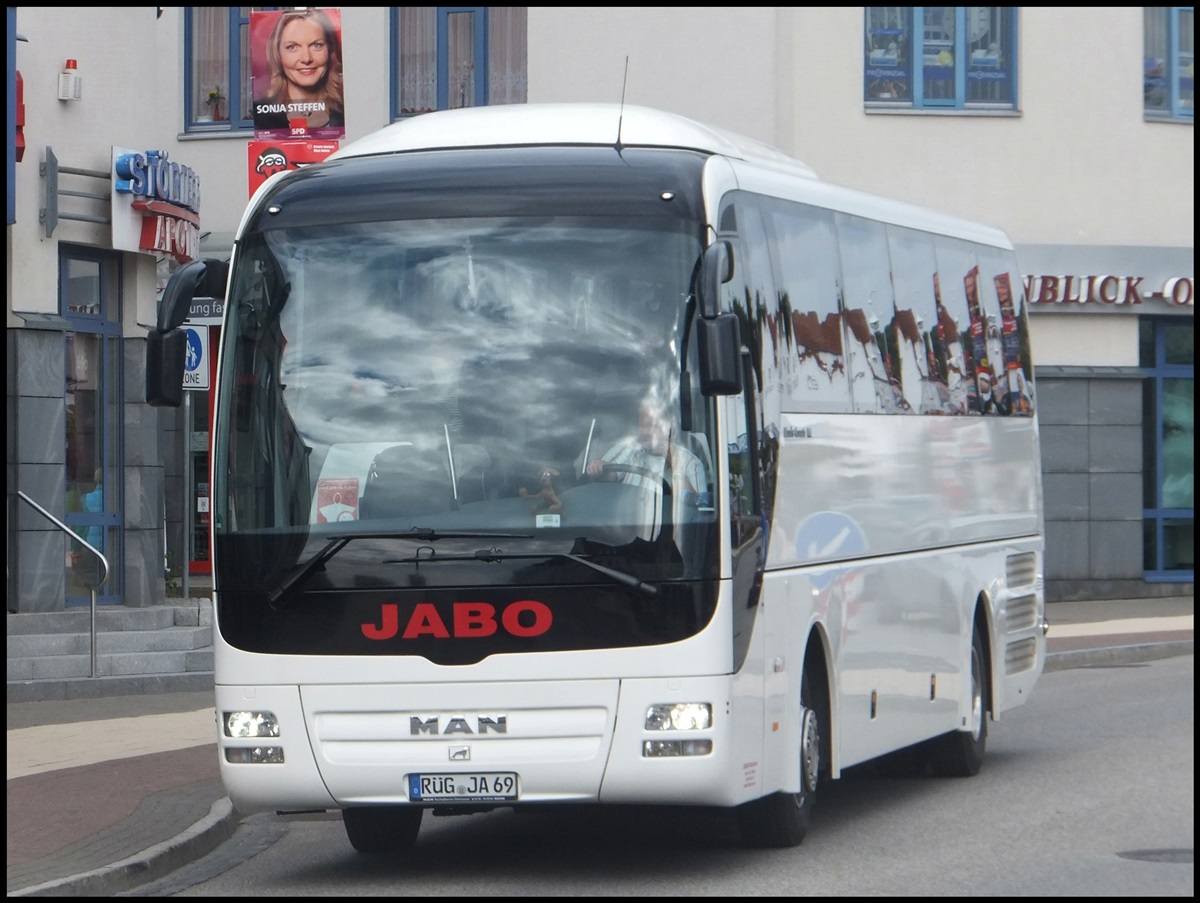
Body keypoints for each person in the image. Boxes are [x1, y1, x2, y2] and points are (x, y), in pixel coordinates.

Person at [586, 398, 706, 498]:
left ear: (670, 428)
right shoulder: (629, 450)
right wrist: (598, 468)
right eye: (644, 425)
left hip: (669, 523)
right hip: (624, 521)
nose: (649, 432)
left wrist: (671, 460)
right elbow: (608, 477)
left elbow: (700, 507)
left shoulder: (691, 464)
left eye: (655, 426)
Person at [254, 9, 345, 132]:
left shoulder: (346, 109)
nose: (306, 59)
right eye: (292, 47)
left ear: (330, 51)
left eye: (316, 45)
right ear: (277, 54)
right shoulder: (263, 116)